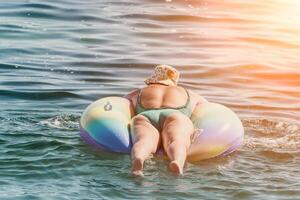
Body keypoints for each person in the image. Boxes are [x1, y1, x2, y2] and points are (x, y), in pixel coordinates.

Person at [125, 65, 206, 176]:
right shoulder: (188, 93)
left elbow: (122, 103)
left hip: (145, 116)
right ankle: (176, 161)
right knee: (177, 141)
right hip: (175, 116)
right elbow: (207, 107)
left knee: (143, 141)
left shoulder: (137, 93)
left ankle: (139, 159)